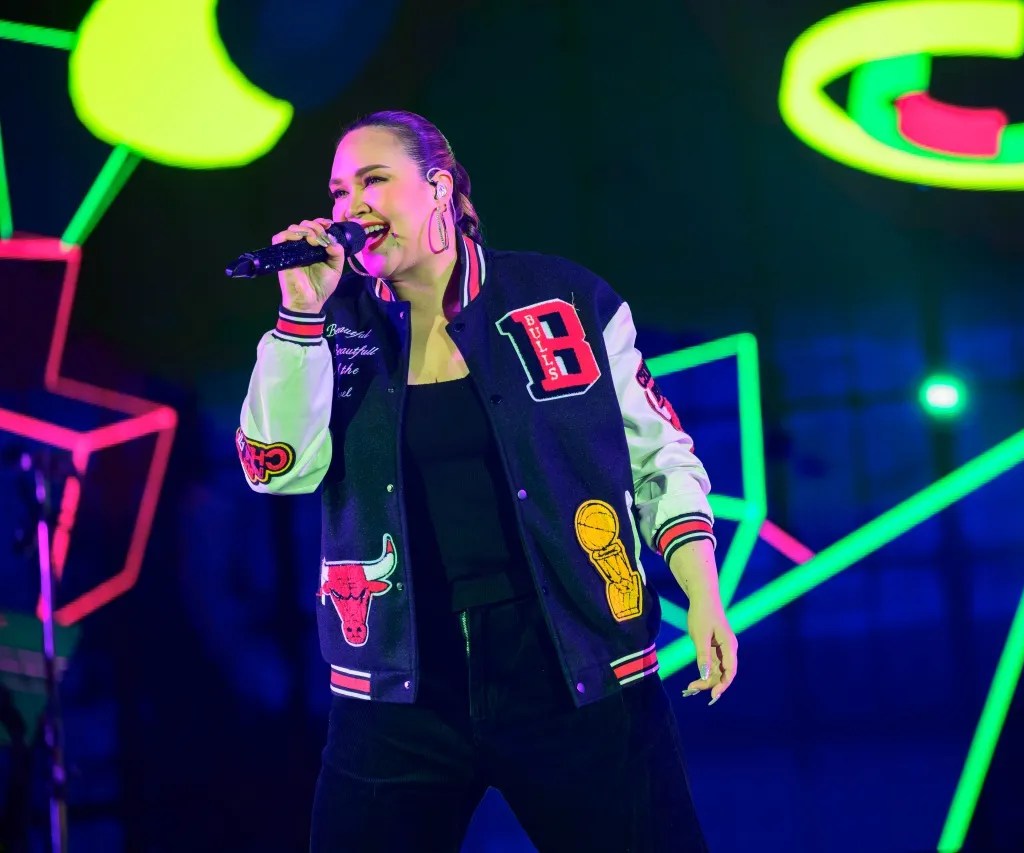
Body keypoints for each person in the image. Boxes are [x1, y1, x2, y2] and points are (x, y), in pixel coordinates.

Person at [235, 109, 738, 852]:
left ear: (439, 188)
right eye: (339, 191)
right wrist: (299, 315)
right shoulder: (329, 328)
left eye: (374, 181)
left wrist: (702, 594)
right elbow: (274, 469)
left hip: (573, 663)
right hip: (399, 682)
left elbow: (659, 457)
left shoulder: (563, 298)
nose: (351, 208)